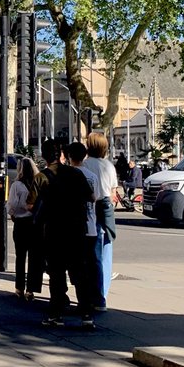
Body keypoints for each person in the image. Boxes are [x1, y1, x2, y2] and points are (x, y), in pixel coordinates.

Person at [36, 140, 96, 327]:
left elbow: (33, 204)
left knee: (57, 273)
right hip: (77, 228)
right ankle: (86, 315)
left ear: (44, 156)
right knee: (79, 272)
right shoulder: (76, 173)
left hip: (54, 230)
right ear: (61, 154)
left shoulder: (42, 177)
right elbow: (92, 197)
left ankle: (56, 314)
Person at [61, 142, 104, 327]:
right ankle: (90, 304)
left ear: (69, 157)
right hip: (90, 225)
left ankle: (71, 304)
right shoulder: (92, 176)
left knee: (72, 268)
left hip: (72, 227)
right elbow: (95, 198)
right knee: (88, 267)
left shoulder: (67, 175)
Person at [84, 131, 118, 308]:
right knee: (106, 251)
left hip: (91, 208)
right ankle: (102, 293)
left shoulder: (85, 165)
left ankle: (94, 294)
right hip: (106, 208)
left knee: (92, 254)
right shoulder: (109, 166)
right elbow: (112, 193)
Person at [6, 156, 45, 301]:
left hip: (21, 223)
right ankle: (31, 289)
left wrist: (12, 214)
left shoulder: (17, 185)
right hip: (35, 223)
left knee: (20, 256)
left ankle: (20, 287)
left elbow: (12, 204)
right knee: (35, 257)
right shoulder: (38, 183)